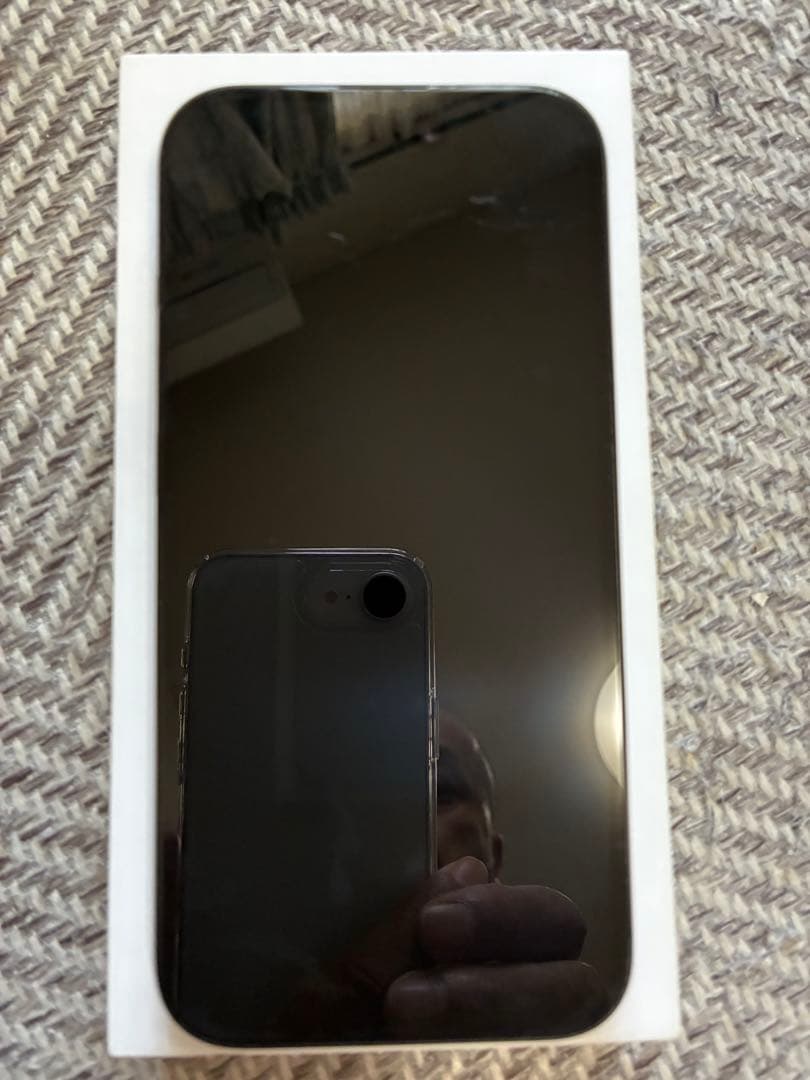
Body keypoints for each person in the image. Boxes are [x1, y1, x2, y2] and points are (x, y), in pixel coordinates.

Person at [287, 710, 606, 1040]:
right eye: (366, 793)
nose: (400, 816)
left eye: (440, 792)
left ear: (493, 856)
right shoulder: (275, 993)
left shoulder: (530, 1008)